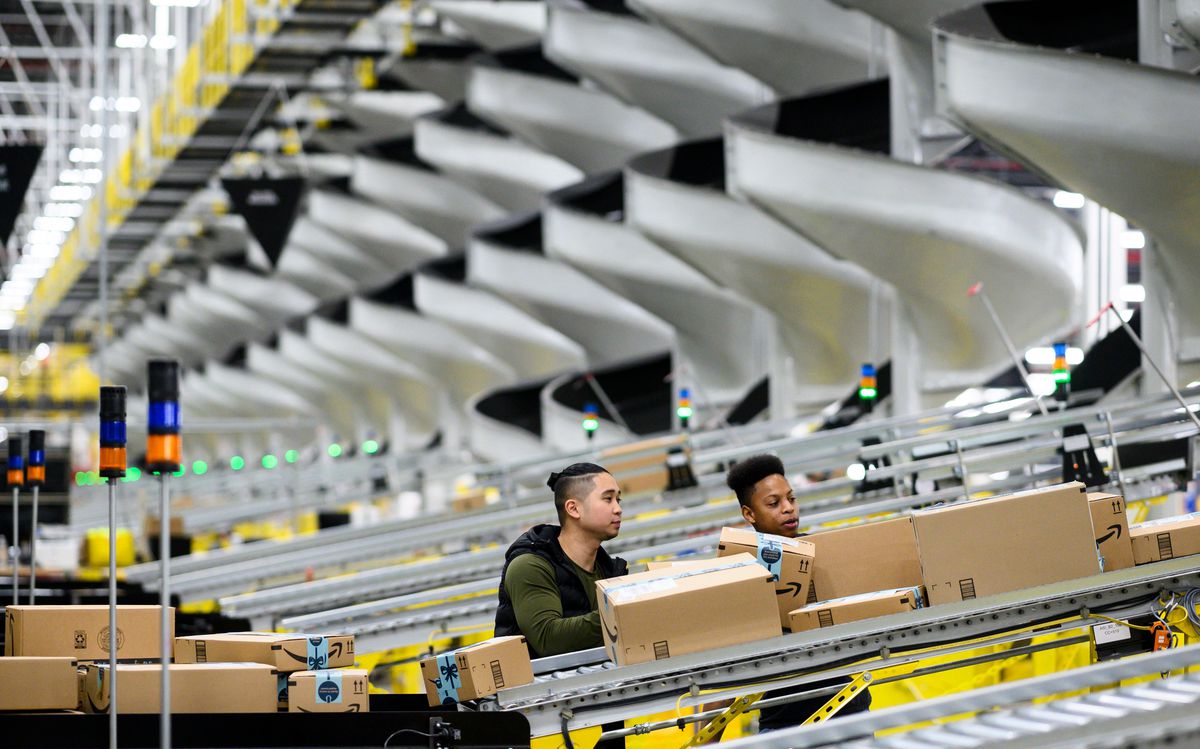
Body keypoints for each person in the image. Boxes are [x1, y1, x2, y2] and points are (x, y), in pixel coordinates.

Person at [726, 453, 871, 733]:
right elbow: (726, 658)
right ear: (749, 514)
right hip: (784, 723)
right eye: (774, 503)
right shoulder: (739, 574)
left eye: (791, 499)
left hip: (849, 710)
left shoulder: (821, 556)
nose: (788, 509)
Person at [495, 462, 628, 658]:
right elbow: (548, 639)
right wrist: (625, 612)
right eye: (608, 499)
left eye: (618, 499)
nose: (618, 509)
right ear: (573, 509)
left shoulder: (608, 568)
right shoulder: (529, 565)